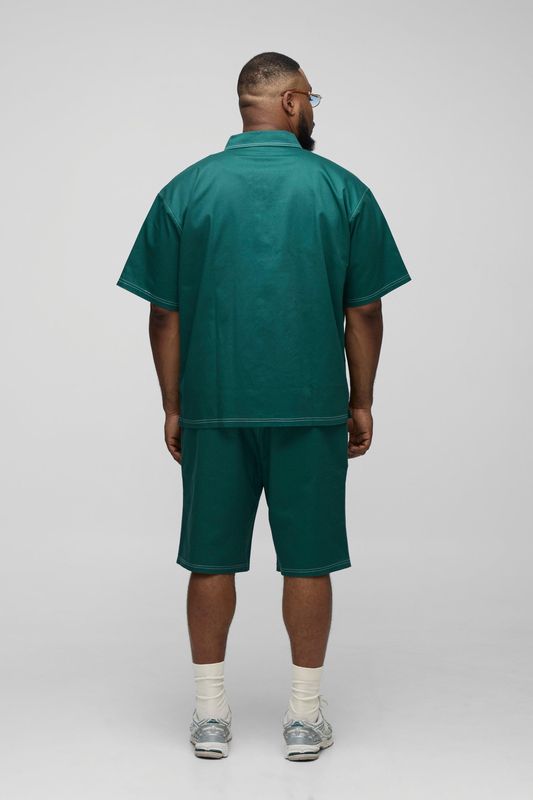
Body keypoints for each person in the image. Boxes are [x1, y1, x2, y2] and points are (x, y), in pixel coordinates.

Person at [116, 51, 412, 761]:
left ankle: (209, 716)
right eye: (311, 98)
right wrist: (362, 399)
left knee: (209, 559)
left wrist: (173, 405)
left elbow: (163, 314)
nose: (312, 109)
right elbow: (365, 310)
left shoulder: (186, 190)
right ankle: (304, 719)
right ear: (289, 102)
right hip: (311, 406)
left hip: (213, 404)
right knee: (307, 561)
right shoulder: (340, 188)